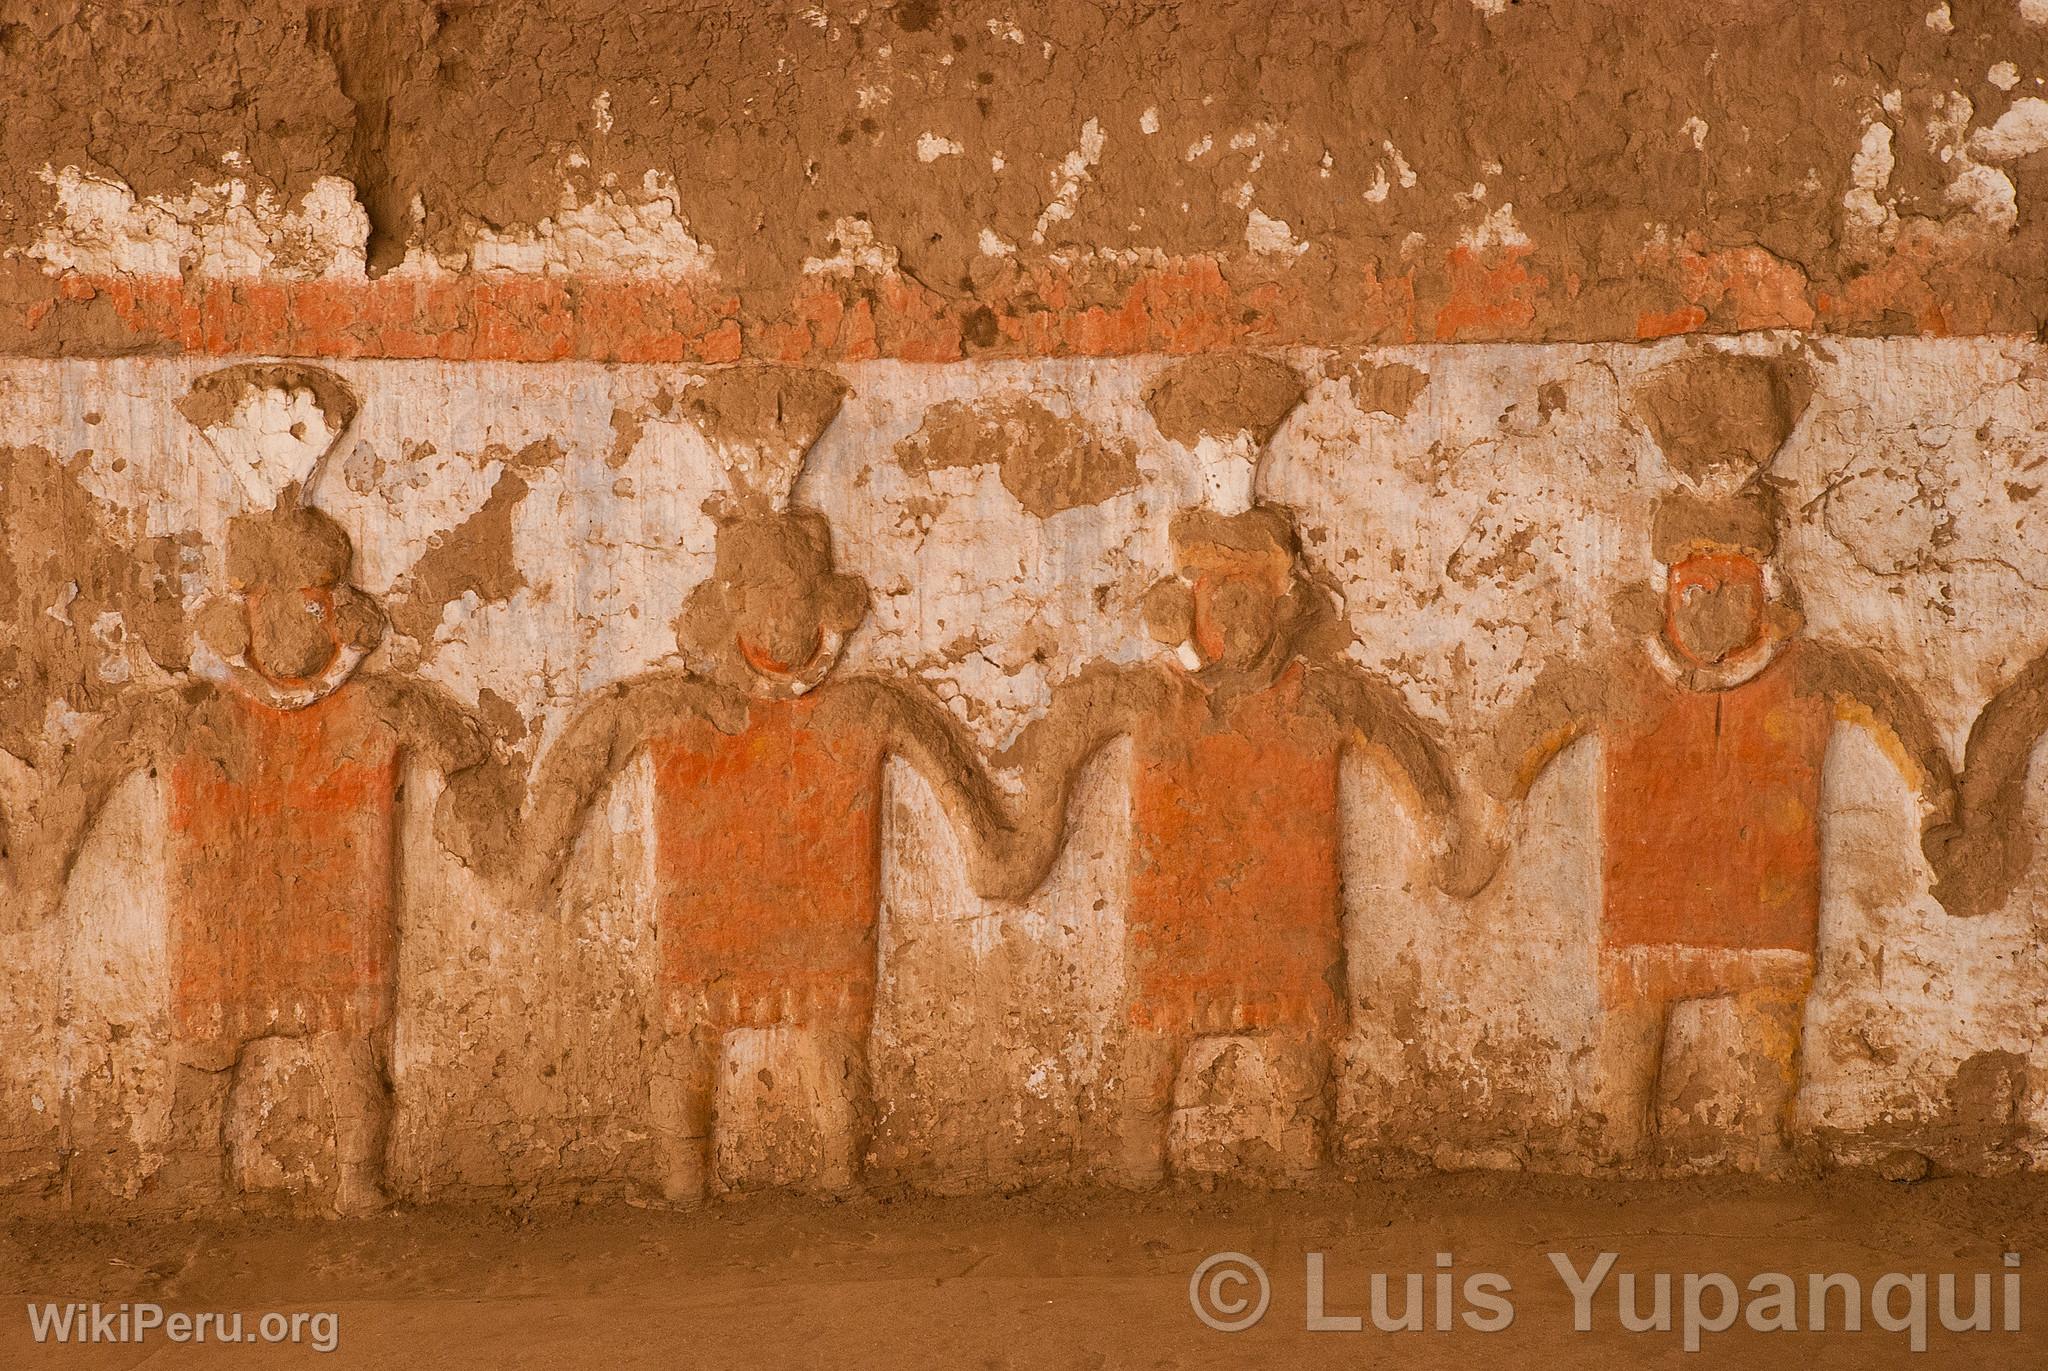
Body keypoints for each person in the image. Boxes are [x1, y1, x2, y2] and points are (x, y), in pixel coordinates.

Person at [7, 365, 498, 1213]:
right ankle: (197, 1177)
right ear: (241, 610)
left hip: (338, 914)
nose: (298, 629)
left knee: (351, 1046)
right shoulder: (196, 714)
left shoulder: (371, 706)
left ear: (341, 610)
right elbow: (100, 760)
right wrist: (41, 864)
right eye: (282, 605)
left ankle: (360, 1179)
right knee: (205, 1048)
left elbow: (449, 740)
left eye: (315, 607)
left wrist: (489, 821)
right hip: (222, 913)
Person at [516, 365, 1013, 1203]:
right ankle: (685, 1174)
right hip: (709, 906)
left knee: (831, 1033)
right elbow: (592, 748)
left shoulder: (860, 710)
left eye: (796, 595)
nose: (780, 618)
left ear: (829, 602)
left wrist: (998, 853)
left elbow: (965, 803)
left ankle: (841, 1168)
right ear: (726, 608)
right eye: (761, 596)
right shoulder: (680, 710)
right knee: (691, 1033)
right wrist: (526, 856)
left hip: (822, 904)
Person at [997, 354, 1489, 1185]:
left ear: (1285, 602)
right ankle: (1138, 1159)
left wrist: (1447, 839)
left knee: (1299, 1050)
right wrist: (1021, 847)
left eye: (1249, 593)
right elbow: (1071, 735)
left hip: (1286, 915)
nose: (1233, 614)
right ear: (1183, 600)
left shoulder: (1317, 698)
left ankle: (1301, 1156)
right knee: (1155, 1049)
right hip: (1178, 909)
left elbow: (1396, 746)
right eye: (1216, 592)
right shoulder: (1152, 699)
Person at [1486, 482, 1956, 1171]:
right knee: (1639, 1005)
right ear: (1667, 592)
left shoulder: (1804, 672)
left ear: (1766, 593)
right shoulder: (1626, 673)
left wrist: (1936, 800)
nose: (1712, 605)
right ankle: (1624, 1136)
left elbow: (1891, 708)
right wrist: (1491, 803)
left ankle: (1766, 1135)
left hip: (1765, 883)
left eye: (1733, 586)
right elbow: (1539, 717)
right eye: (1696, 587)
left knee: (1770, 1003)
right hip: (1648, 884)